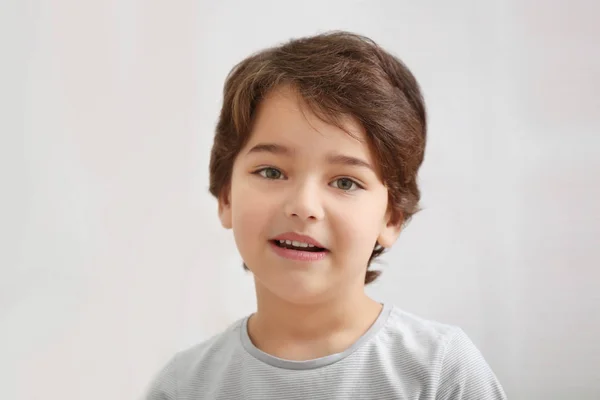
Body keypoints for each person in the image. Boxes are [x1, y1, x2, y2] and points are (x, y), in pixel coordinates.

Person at [144, 31, 507, 400]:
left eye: (346, 182)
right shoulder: (183, 386)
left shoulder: (440, 371)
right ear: (226, 197)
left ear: (392, 217)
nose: (304, 205)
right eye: (271, 172)